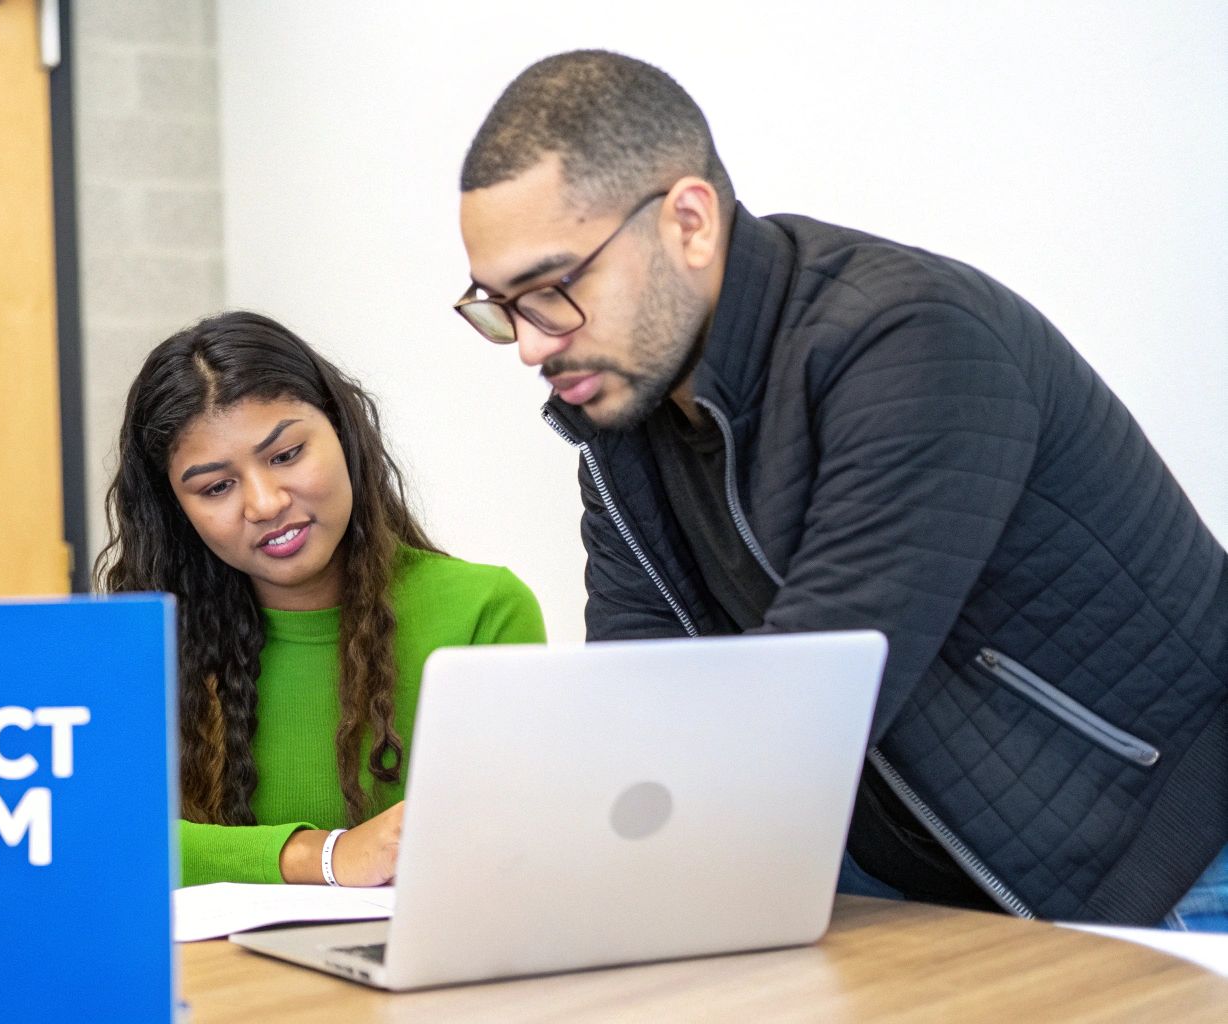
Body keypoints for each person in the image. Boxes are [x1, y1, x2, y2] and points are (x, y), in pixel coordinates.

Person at [453, 49, 1227, 928]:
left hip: (1168, 870)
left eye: (551, 290)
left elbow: (799, 717)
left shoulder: (909, 344)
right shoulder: (623, 434)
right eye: (501, 307)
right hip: (929, 893)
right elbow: (643, 718)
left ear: (691, 224)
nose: (530, 345)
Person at [98, 311, 545, 887]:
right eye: (216, 487)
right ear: (176, 512)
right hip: (216, 977)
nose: (264, 503)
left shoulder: (485, 611)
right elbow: (107, 840)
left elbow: (508, 844)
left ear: (343, 433)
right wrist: (325, 855)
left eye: (286, 455)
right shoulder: (143, 643)